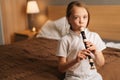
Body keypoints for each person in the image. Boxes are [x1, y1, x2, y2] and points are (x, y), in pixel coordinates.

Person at [56, 1, 106, 80]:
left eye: (84, 17)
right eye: (76, 17)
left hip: (93, 76)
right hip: (73, 77)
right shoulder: (64, 40)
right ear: (69, 19)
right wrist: (75, 60)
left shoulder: (94, 36)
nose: (81, 21)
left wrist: (96, 51)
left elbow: (101, 63)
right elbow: (61, 68)